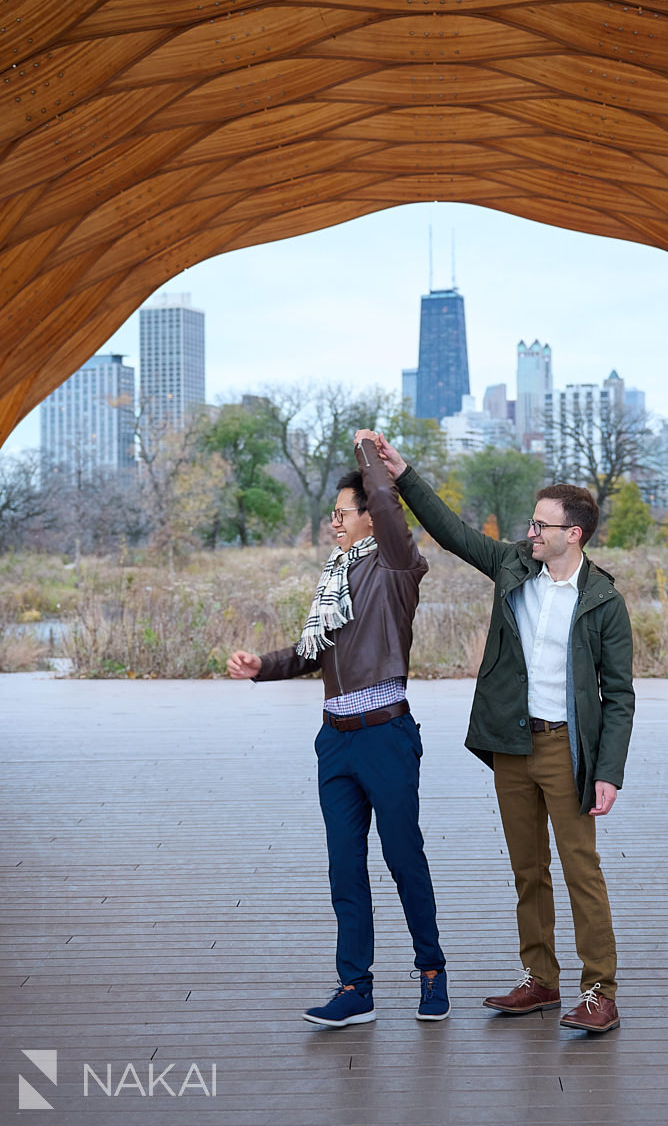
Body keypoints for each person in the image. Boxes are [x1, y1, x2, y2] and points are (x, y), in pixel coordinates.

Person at [375, 432, 634, 1034]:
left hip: (569, 750)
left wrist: (607, 771)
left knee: (581, 871)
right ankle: (540, 981)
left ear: (575, 534)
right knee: (528, 869)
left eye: (542, 525)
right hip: (514, 746)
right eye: (531, 523)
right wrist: (404, 472)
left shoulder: (603, 602)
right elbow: (451, 530)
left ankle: (600, 989)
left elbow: (617, 696)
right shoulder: (513, 566)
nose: (531, 532)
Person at [227, 434, 448, 1027]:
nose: (333, 524)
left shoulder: (399, 565)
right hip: (336, 740)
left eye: (342, 514)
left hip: (386, 737)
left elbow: (388, 502)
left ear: (371, 517)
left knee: (404, 859)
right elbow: (309, 652)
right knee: (344, 866)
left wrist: (370, 458)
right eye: (332, 516)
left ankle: (431, 973)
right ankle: (355, 988)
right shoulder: (336, 578)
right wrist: (261, 668)